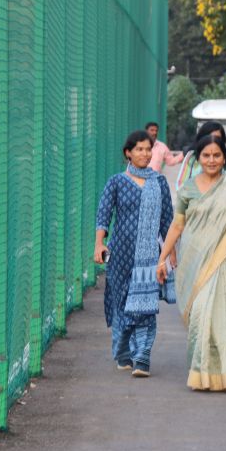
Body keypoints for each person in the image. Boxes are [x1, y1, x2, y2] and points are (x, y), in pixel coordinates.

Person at [156, 135, 226, 392]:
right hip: (196, 262)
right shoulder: (188, 190)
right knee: (202, 316)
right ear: (197, 158)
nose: (212, 160)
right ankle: (201, 374)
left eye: (217, 155)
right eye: (206, 155)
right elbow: (178, 224)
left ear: (224, 158)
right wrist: (163, 257)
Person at [94, 130, 174, 377]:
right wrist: (99, 244)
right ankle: (123, 351)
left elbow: (168, 220)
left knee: (146, 306)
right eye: (139, 149)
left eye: (148, 149)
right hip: (120, 255)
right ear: (127, 153)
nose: (145, 154)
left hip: (149, 256)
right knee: (123, 305)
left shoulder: (159, 182)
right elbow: (104, 214)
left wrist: (171, 253)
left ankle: (142, 358)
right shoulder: (116, 182)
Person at [174, 121, 226, 190]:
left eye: (217, 138)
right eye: (208, 138)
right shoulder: (192, 157)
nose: (212, 141)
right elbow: (180, 186)